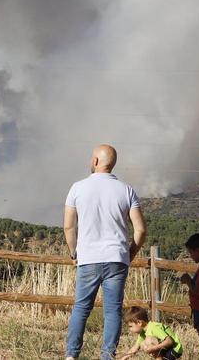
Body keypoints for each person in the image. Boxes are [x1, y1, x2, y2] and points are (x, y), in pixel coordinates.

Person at [64, 144, 148, 360]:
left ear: (95, 162)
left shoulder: (77, 188)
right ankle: (107, 355)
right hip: (117, 258)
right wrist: (130, 254)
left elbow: (69, 227)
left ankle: (72, 355)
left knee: (81, 308)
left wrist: (74, 253)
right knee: (112, 312)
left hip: (88, 258)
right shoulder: (126, 190)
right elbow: (140, 229)